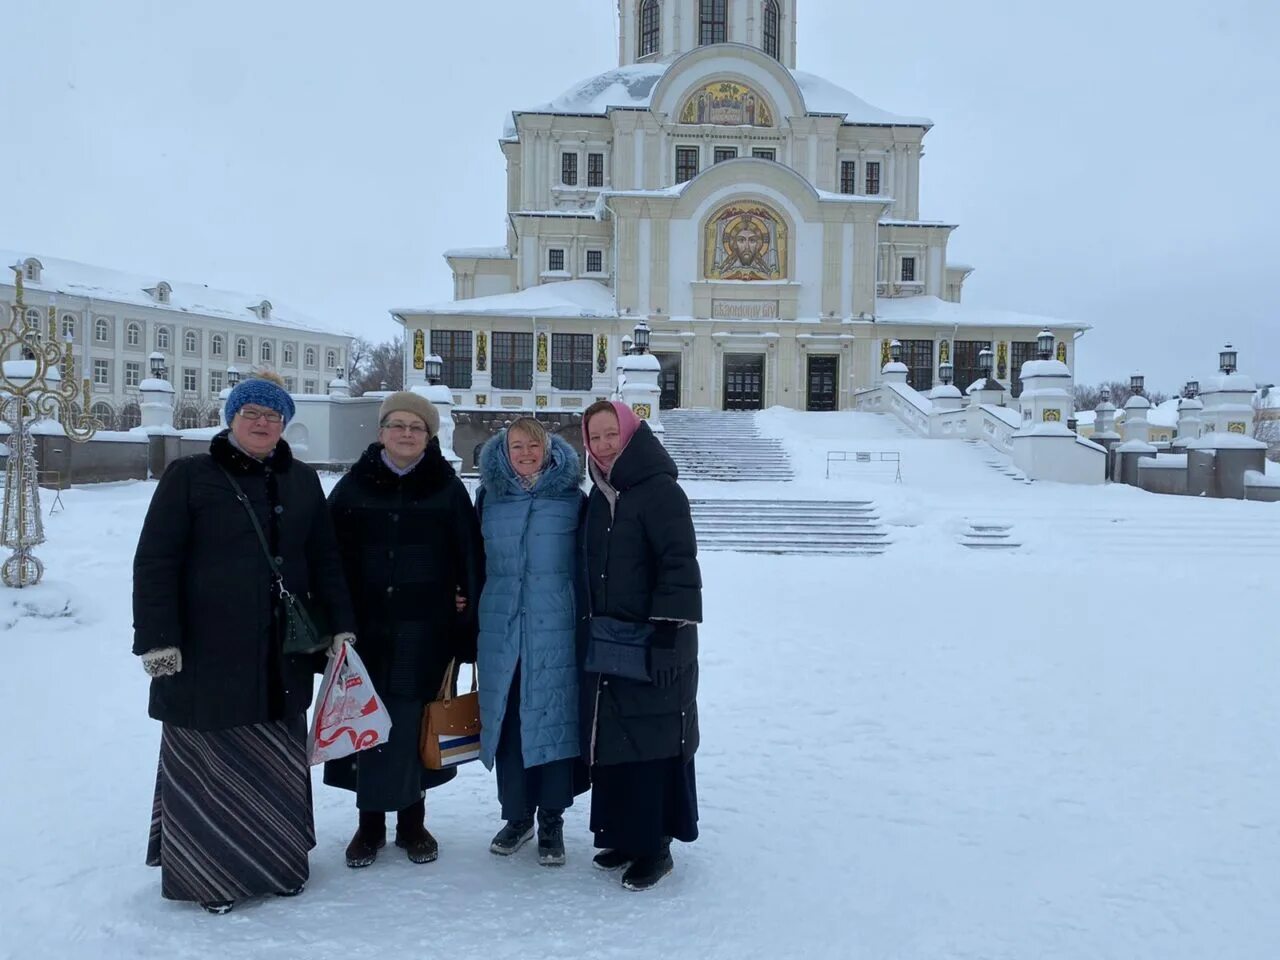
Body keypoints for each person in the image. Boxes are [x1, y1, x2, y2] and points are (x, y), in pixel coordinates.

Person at [133, 372, 356, 915]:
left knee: (275, 762)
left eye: (273, 416)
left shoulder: (302, 479)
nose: (262, 423)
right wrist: (159, 640)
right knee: (211, 764)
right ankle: (210, 876)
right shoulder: (190, 476)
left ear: (284, 424)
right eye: (252, 413)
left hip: (279, 651)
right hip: (205, 654)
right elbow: (156, 560)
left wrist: (338, 625)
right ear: (232, 417)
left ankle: (278, 865)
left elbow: (324, 556)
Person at [324, 391, 484, 868]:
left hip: (426, 630)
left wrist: (464, 616)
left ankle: (413, 823)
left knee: (416, 724)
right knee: (366, 726)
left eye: (416, 427)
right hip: (365, 631)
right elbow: (327, 558)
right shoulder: (353, 487)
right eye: (397, 425)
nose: (406, 433)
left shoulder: (447, 488)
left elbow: (470, 558)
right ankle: (369, 825)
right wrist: (336, 622)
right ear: (381, 433)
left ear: (429, 436)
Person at [580, 400, 702, 891]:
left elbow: (679, 565)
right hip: (611, 640)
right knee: (615, 739)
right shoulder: (598, 495)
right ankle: (624, 835)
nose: (605, 445)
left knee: (652, 741)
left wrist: (670, 636)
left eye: (613, 434)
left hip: (656, 638)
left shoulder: (660, 492)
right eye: (596, 437)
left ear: (631, 434)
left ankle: (655, 845)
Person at [475, 417, 588, 866]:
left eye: (532, 446)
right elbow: (473, 559)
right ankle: (517, 815)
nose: (524, 454)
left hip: (555, 625)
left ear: (548, 449)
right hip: (502, 625)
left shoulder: (571, 499)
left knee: (553, 718)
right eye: (516, 446)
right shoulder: (489, 497)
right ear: (504, 452)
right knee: (509, 723)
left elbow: (585, 563)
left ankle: (553, 819)